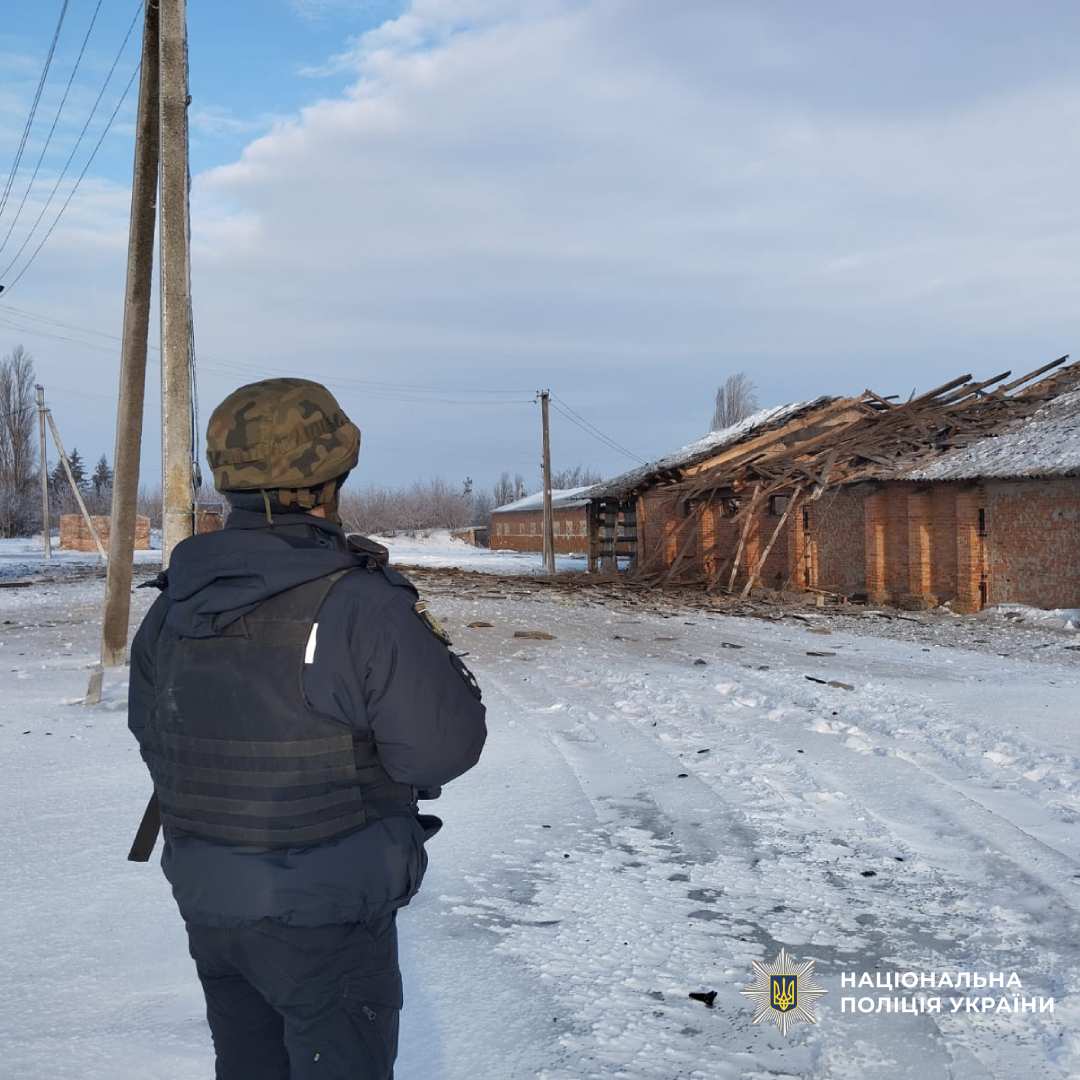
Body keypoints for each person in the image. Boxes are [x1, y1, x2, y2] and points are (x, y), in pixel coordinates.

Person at [127, 378, 487, 1079]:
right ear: (335, 476)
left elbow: (153, 732)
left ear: (225, 479)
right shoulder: (358, 602)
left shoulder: (176, 600)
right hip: (326, 915)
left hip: (211, 904)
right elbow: (442, 749)